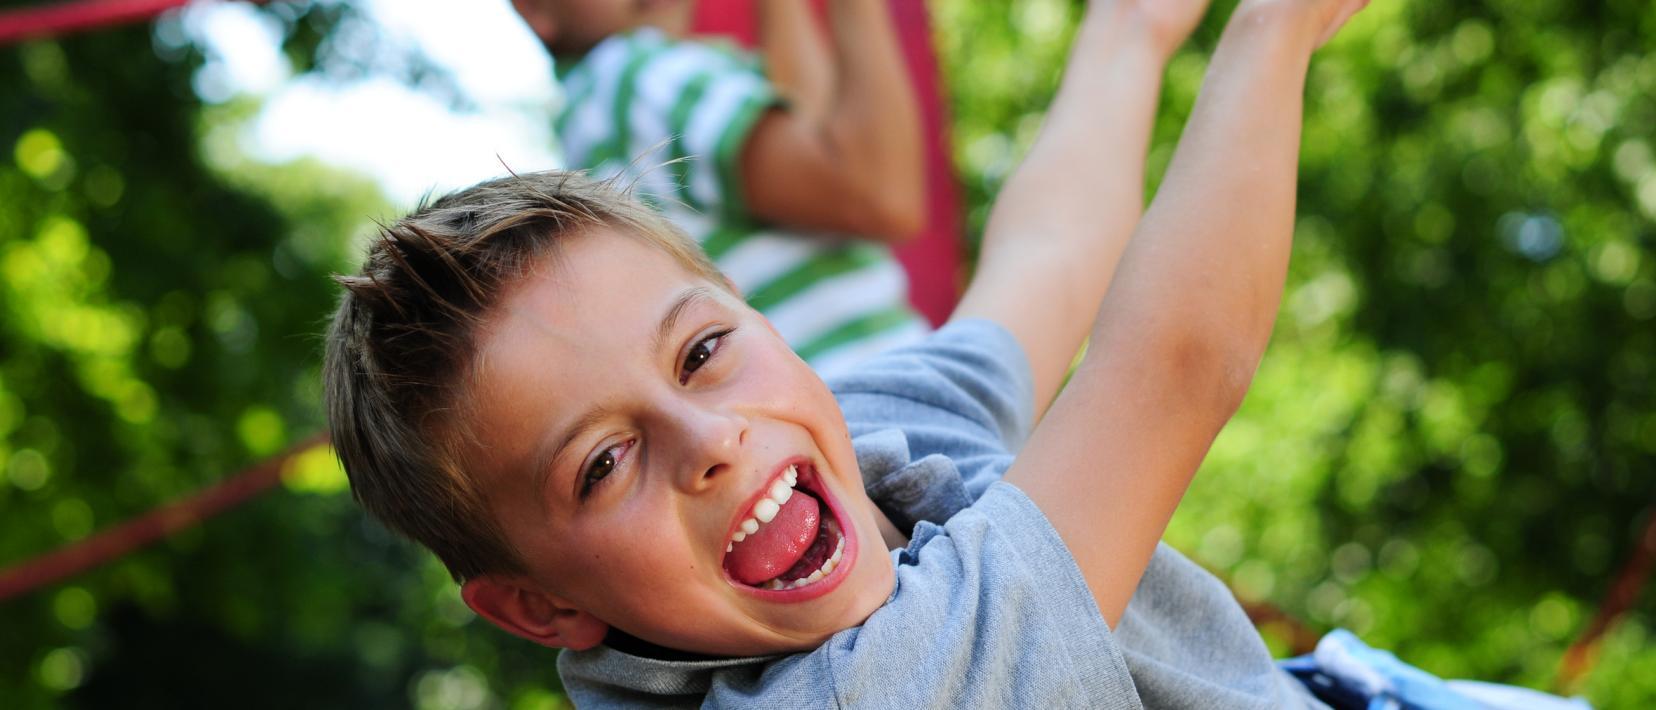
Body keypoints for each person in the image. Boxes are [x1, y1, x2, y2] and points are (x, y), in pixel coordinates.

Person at [324, 0, 1585, 706]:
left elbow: (1043, 262)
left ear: (761, 325)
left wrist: (1132, 32)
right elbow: (1172, 368)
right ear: (541, 604)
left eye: (703, 350)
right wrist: (1271, 30)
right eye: (602, 464)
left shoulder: (847, 433)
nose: (713, 441)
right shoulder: (864, 695)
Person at [513, 0, 931, 376]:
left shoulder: (599, 113)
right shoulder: (636, 74)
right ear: (534, 9)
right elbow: (881, 197)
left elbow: (811, 124)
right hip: (874, 375)